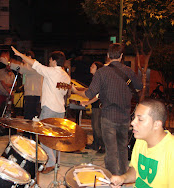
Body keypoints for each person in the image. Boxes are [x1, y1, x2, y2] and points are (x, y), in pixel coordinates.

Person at [72, 43, 143, 175]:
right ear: (121, 56)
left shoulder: (102, 72)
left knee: (110, 150)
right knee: (122, 148)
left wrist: (76, 91)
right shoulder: (129, 71)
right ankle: (122, 176)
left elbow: (89, 94)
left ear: (108, 56)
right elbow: (139, 87)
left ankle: (112, 179)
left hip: (108, 116)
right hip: (125, 116)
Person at [11, 46, 71, 174]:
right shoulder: (66, 76)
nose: (49, 62)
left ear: (54, 61)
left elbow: (34, 64)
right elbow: (65, 92)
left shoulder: (51, 71)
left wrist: (20, 54)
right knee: (55, 138)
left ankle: (50, 163)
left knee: (43, 137)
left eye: (50, 60)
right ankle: (56, 163)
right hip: (60, 109)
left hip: (49, 108)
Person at [110, 99, 174, 188]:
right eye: (134, 118)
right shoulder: (141, 140)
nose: (132, 122)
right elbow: (136, 170)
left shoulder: (171, 149)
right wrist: (123, 178)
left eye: (140, 119)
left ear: (156, 124)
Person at [0, 51, 43, 139]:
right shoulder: (28, 66)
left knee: (32, 116)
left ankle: (32, 136)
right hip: (30, 94)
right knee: (28, 115)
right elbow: (21, 68)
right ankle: (28, 134)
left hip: (34, 95)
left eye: (24, 58)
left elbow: (21, 68)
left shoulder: (34, 65)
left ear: (29, 57)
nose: (22, 60)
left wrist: (8, 62)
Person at [81, 61, 105, 154]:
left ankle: (103, 146)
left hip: (99, 105)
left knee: (97, 127)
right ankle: (95, 144)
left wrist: (88, 102)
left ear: (97, 69)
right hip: (96, 105)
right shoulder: (95, 79)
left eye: (93, 66)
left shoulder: (99, 79)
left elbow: (97, 95)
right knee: (95, 127)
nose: (90, 67)